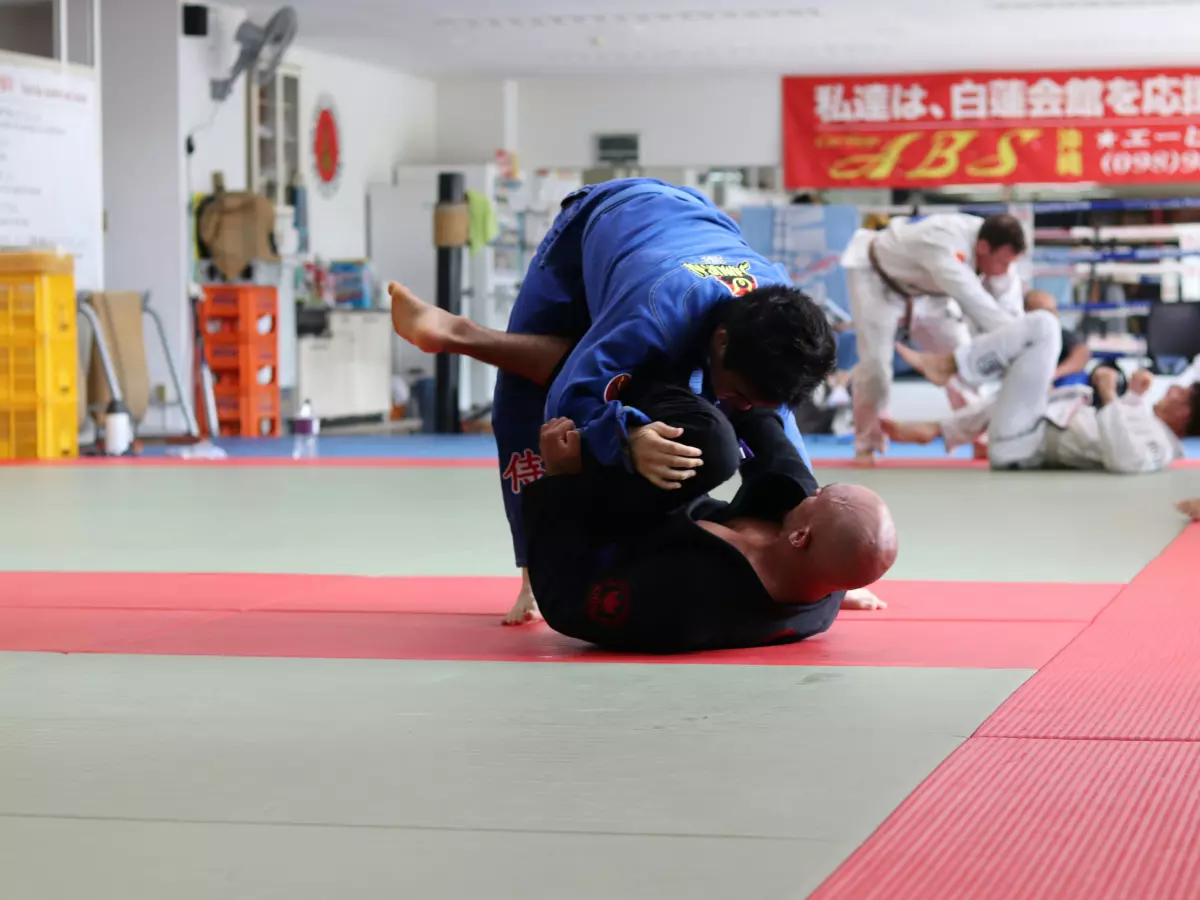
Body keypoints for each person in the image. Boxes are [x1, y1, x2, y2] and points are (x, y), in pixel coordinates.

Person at [391, 177, 836, 624]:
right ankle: (460, 335)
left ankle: (466, 336)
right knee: (531, 394)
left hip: (695, 217)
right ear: (720, 342)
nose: (735, 405)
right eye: (736, 391)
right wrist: (629, 436)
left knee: (732, 409)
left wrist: (820, 559)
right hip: (601, 219)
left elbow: (781, 432)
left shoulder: (778, 321)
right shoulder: (655, 311)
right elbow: (571, 395)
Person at [524, 395, 897, 654]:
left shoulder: (686, 604)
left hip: (630, 536)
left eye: (818, 500)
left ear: (800, 537)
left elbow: (564, 605)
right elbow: (828, 537)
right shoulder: (825, 577)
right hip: (709, 524)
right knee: (776, 462)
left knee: (712, 443)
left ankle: (660, 387)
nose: (812, 493)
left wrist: (561, 481)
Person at [881, 309, 1200, 473]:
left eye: (1179, 394)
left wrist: (1109, 397)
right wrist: (1131, 395)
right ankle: (942, 429)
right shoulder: (1147, 422)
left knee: (1044, 326)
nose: (1170, 388)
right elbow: (1120, 429)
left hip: (1022, 445)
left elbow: (1127, 460)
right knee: (1043, 375)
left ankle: (954, 368)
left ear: (1185, 414)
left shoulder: (1163, 447)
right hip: (1030, 429)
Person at [841, 212, 1029, 465]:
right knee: (875, 365)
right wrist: (1027, 342)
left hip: (931, 295)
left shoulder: (1000, 250)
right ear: (983, 247)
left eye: (1010, 264)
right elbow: (977, 304)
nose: (1005, 270)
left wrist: (1025, 344)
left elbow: (1010, 311)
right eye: (1003, 263)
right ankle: (867, 444)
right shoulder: (943, 240)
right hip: (879, 280)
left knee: (965, 359)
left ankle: (979, 437)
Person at [1023, 289, 1093, 388]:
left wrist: (1052, 375)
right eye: (1047, 311)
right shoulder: (1018, 337)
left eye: (1054, 310)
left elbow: (1082, 354)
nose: (1053, 314)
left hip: (1058, 382)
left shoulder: (1061, 334)